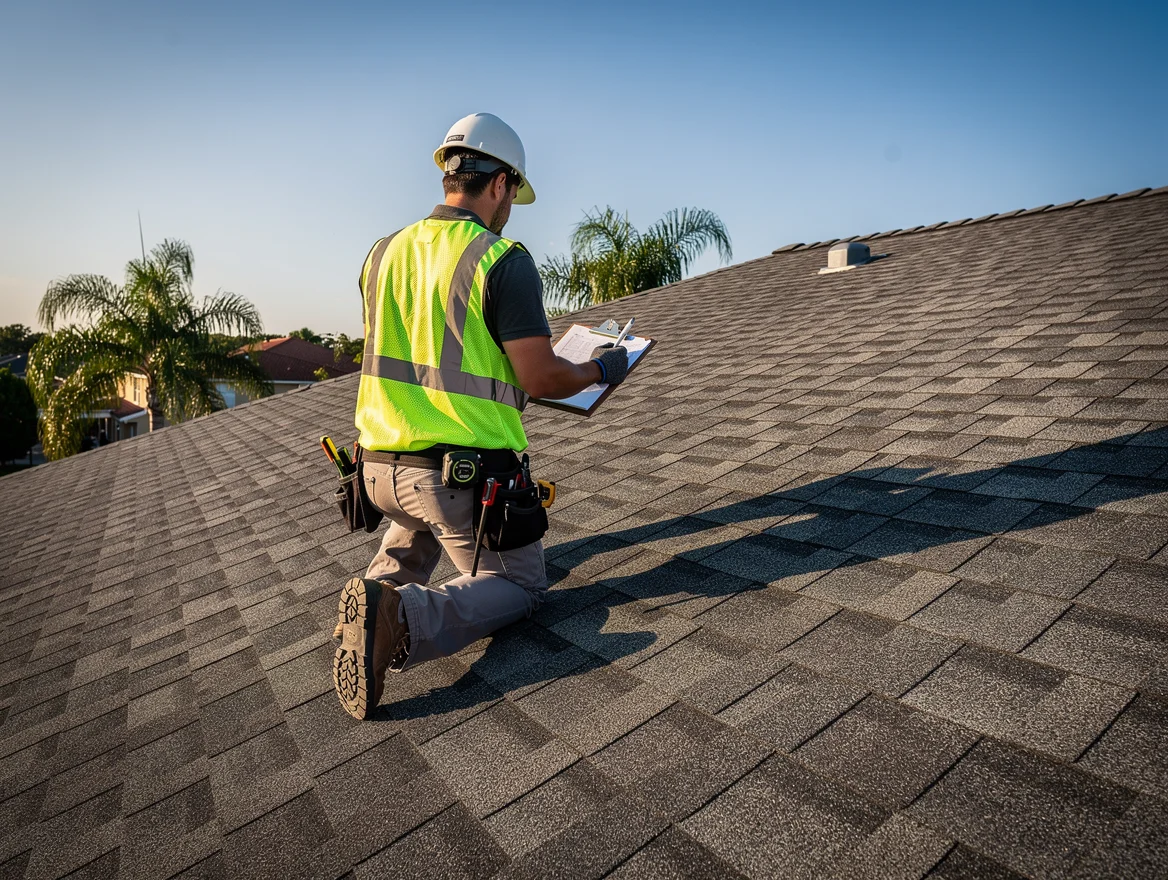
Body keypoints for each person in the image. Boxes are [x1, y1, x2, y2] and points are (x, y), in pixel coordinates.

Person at [332, 112, 629, 720]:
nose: (511, 208)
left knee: (413, 533)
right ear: (499, 184)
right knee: (521, 586)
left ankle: (374, 600)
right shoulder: (501, 260)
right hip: (456, 479)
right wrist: (602, 369)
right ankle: (401, 619)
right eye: (513, 195)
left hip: (378, 470)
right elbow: (542, 377)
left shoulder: (382, 253)